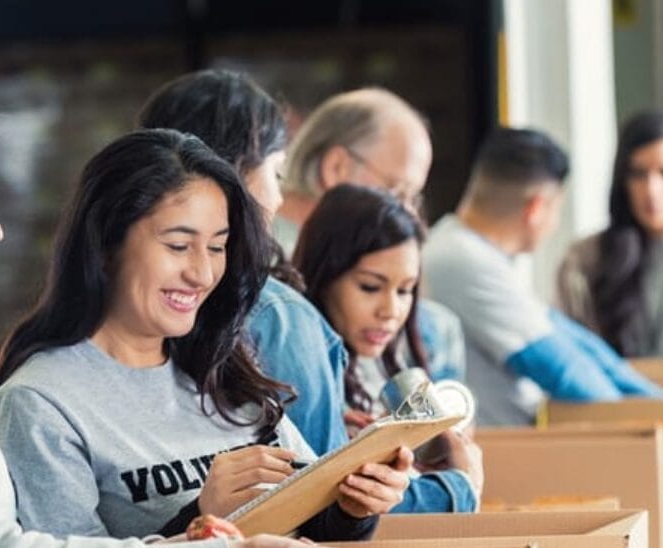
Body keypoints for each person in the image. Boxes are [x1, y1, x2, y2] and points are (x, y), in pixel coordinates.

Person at [0, 128, 410, 548]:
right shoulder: (40, 404)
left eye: (218, 246)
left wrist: (354, 503)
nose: (203, 274)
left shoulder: (224, 371)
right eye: (179, 246)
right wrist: (196, 522)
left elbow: (309, 533)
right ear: (107, 243)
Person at [136, 68, 347, 456]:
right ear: (236, 172)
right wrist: (455, 484)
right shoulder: (277, 315)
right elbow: (329, 490)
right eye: (276, 172)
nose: (279, 198)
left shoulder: (119, 307)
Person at [422, 127, 663, 426]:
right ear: (537, 208)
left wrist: (658, 400)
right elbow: (564, 370)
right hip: (500, 455)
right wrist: (649, 417)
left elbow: (569, 338)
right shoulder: (461, 261)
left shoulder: (474, 253)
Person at [293, 183, 483, 511]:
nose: (391, 311)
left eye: (405, 290)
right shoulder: (297, 370)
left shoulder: (387, 367)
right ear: (323, 275)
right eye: (370, 287)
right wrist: (457, 487)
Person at [278, 86, 465, 381]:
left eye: (413, 199)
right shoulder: (270, 264)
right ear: (336, 168)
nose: (408, 214)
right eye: (398, 191)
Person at [557, 107, 663, 357]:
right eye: (638, 174)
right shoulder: (585, 262)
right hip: (614, 396)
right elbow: (572, 357)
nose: (652, 190)